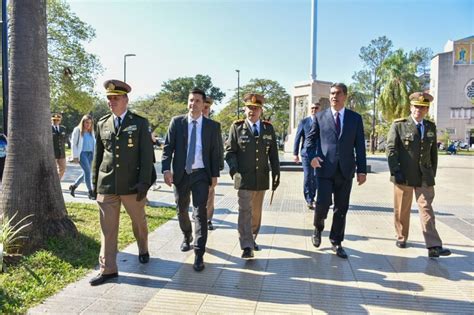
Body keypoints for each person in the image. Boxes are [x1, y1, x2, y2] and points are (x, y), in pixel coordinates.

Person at [90, 79, 154, 286]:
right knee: (108, 229)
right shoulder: (102, 123)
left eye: (115, 98)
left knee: (139, 222)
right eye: (109, 98)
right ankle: (108, 269)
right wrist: (94, 183)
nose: (111, 102)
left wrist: (144, 182)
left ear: (125, 99)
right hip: (107, 184)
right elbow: (97, 156)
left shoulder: (140, 122)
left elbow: (147, 156)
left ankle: (143, 248)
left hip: (132, 185)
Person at [305, 83, 367, 259]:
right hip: (324, 169)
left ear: (345, 96)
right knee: (322, 204)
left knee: (341, 208)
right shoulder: (320, 117)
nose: (334, 96)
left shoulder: (355, 119)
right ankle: (318, 228)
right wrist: (312, 157)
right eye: (332, 93)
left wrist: (362, 170)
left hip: (345, 170)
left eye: (338, 93)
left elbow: (360, 146)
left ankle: (336, 241)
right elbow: (310, 141)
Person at [386, 92, 451, 258]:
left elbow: (433, 154)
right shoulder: (399, 125)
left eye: (423, 107)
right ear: (411, 107)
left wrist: (431, 174)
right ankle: (401, 236)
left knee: (426, 208)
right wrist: (396, 171)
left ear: (427, 109)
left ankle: (433, 246)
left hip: (424, 176)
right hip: (404, 175)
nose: (419, 110)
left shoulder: (430, 127)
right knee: (402, 209)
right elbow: (391, 149)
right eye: (416, 106)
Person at [161, 88, 220, 272]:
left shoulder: (212, 126)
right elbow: (168, 148)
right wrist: (166, 169)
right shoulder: (177, 122)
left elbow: (216, 152)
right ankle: (187, 236)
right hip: (181, 174)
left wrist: (215, 175)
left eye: (197, 101)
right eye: (190, 100)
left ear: (203, 105)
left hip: (202, 174)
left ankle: (198, 253)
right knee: (181, 209)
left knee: (200, 212)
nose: (193, 104)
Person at [225, 93, 280, 259]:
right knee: (245, 211)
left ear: (261, 110)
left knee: (256, 212)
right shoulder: (236, 127)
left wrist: (276, 174)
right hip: (244, 178)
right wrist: (234, 171)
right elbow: (229, 152)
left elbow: (274, 155)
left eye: (256, 108)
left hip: (261, 178)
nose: (252, 111)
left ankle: (252, 238)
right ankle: (246, 245)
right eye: (249, 107)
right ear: (244, 109)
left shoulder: (268, 128)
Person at [201, 96, 225, 230]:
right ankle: (198, 216)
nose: (205, 110)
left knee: (210, 194)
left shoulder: (214, 126)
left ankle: (208, 219)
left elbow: (219, 147)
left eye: (207, 108)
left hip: (209, 168)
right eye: (203, 107)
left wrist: (219, 166)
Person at [293, 102, 321, 210]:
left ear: (320, 109)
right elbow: (298, 137)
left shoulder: (323, 122)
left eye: (316, 108)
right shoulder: (304, 122)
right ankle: (309, 199)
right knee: (308, 176)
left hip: (319, 154)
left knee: (316, 176)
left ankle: (314, 196)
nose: (314, 110)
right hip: (306, 154)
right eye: (312, 108)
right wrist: (295, 154)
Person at [69, 114, 96, 200]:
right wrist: (75, 156)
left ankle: (74, 186)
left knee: (86, 173)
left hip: (91, 154)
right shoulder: (77, 130)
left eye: (90, 123)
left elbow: (93, 143)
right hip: (82, 154)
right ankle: (90, 192)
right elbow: (73, 144)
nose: (88, 124)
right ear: (83, 122)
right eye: (86, 122)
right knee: (88, 172)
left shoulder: (91, 131)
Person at [51, 113, 67, 180]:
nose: (56, 121)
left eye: (57, 120)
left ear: (60, 121)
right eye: (54, 120)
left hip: (61, 152)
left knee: (63, 168)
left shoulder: (63, 128)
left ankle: (57, 181)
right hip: (53, 152)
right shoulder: (49, 128)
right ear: (51, 120)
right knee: (52, 169)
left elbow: (64, 139)